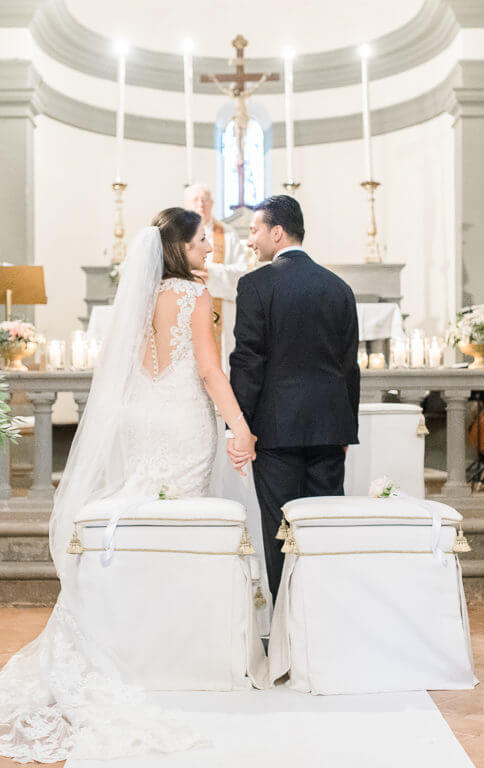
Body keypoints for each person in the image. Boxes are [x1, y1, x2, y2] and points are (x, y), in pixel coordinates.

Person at [0, 208, 261, 762]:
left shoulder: (135, 299)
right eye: (198, 245)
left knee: (143, 515)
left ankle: (129, 635)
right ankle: (171, 643)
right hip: (184, 418)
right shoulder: (196, 299)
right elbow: (211, 371)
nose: (207, 252)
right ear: (175, 249)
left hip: (142, 418)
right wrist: (240, 425)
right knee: (176, 528)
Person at [229, 195, 359, 599]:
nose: (250, 241)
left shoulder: (255, 285)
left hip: (276, 431)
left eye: (254, 230)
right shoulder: (339, 288)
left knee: (280, 533)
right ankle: (322, 627)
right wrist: (344, 430)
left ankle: (286, 635)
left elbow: (248, 362)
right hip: (328, 429)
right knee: (322, 529)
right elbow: (348, 367)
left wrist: (241, 427)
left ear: (277, 232)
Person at [184, 183, 251, 371]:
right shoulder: (179, 236)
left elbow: (242, 274)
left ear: (212, 203)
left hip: (222, 314)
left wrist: (210, 274)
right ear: (186, 205)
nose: (201, 204)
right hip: (187, 311)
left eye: (205, 199)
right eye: (195, 200)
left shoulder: (227, 234)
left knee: (220, 366)